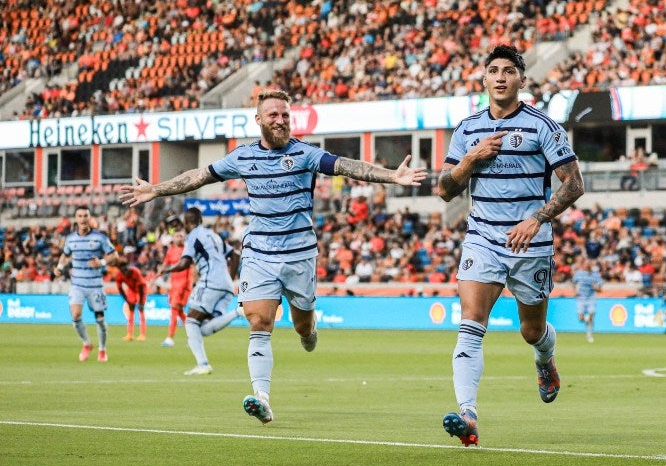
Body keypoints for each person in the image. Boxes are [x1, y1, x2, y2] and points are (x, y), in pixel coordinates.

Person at [120, 88, 427, 423]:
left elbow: (346, 166)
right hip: (259, 253)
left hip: (300, 255)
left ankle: (309, 332)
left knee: (302, 327)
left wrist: (390, 176)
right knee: (259, 322)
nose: (281, 120)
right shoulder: (242, 157)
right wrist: (157, 188)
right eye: (273, 115)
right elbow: (199, 176)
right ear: (259, 120)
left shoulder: (306, 154)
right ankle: (261, 397)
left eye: (285, 114)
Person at [436, 45, 584, 447]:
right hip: (482, 238)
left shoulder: (543, 126)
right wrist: (470, 160)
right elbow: (445, 190)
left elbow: (574, 183)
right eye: (493, 70)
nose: (501, 77)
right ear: (483, 79)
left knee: (531, 330)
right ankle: (468, 416)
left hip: (529, 242)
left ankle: (544, 359)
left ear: (521, 79)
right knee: (470, 325)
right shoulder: (467, 130)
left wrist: (537, 218)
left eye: (509, 71)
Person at [158, 207, 243, 375]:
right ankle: (237, 312)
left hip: (209, 282)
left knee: (190, 322)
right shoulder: (214, 235)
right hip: (226, 287)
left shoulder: (193, 236)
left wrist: (167, 270)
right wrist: (229, 278)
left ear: (188, 222)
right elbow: (235, 255)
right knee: (202, 328)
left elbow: (184, 263)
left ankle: (203, 364)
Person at [54, 206, 120, 362]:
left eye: (86, 216)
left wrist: (102, 262)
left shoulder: (99, 238)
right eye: (80, 216)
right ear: (76, 219)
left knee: (100, 318)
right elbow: (65, 255)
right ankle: (86, 343)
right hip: (77, 284)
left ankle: (102, 349)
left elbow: (114, 255)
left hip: (95, 285)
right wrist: (59, 267)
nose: (83, 219)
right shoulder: (71, 239)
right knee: (75, 314)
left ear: (89, 218)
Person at [162, 229, 191, 347]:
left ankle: (170, 338)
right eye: (176, 236)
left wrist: (191, 284)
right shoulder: (170, 250)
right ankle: (192, 336)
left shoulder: (187, 250)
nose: (179, 238)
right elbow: (165, 264)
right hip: (174, 285)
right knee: (179, 312)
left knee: (174, 310)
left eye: (181, 236)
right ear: (173, 238)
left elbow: (193, 269)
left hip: (183, 285)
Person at [112, 263, 148, 342]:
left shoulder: (136, 272)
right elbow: (120, 289)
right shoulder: (119, 275)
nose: (126, 273)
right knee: (131, 310)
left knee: (141, 310)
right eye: (124, 271)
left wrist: (141, 302)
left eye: (126, 270)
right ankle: (130, 335)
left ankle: (142, 335)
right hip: (131, 290)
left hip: (140, 290)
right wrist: (127, 300)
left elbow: (141, 286)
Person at [571, 259, 603, 343]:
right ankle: (586, 320)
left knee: (591, 315)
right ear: (583, 265)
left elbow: (600, 289)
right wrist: (575, 291)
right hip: (581, 298)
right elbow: (573, 283)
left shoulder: (595, 275)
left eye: (589, 264)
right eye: (586, 264)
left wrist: (596, 287)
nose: (588, 265)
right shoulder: (578, 274)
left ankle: (590, 334)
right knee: (581, 318)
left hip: (591, 298)